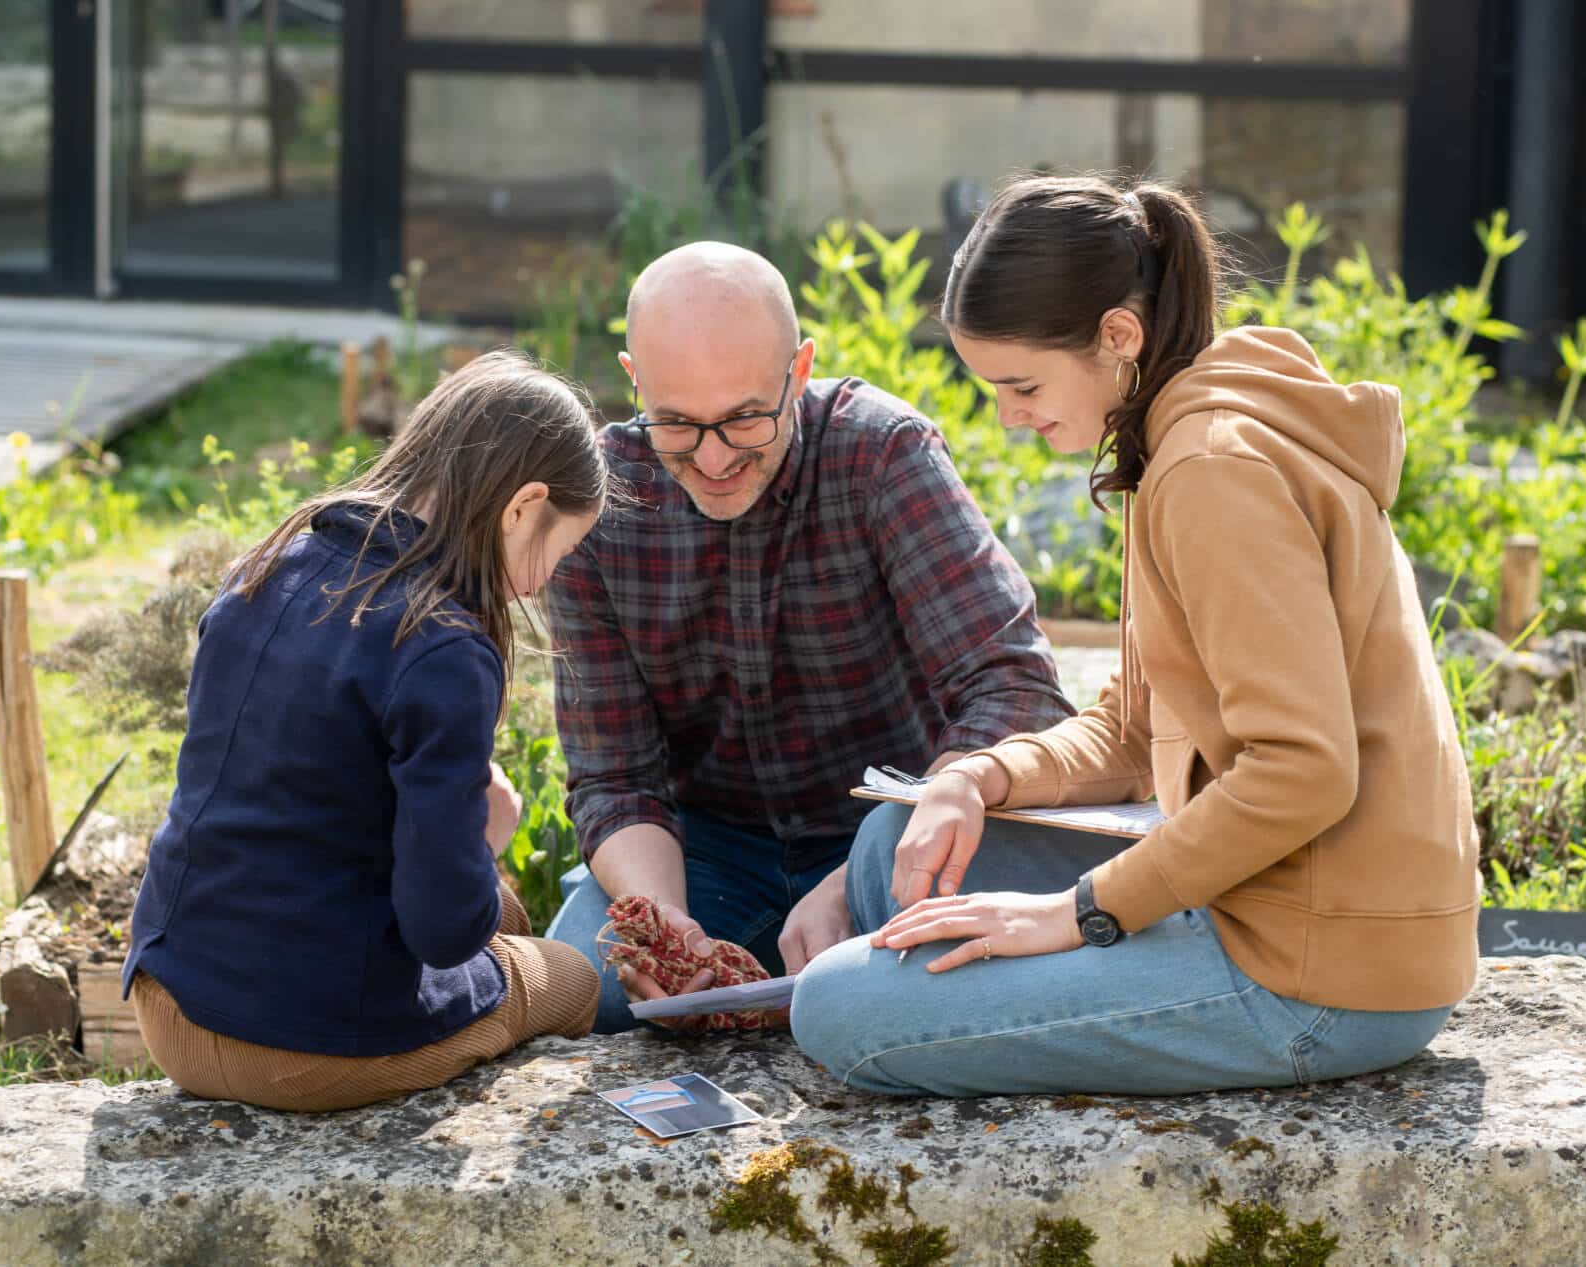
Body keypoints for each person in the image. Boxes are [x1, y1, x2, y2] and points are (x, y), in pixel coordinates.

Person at [790, 175, 1480, 1097]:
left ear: (1119, 336)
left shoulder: (1212, 471)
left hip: (1324, 969)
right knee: (899, 844)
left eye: (1022, 384)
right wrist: (975, 776)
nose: (1008, 415)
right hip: (1271, 896)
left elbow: (1305, 769)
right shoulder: (1178, 435)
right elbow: (1130, 728)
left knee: (840, 1011)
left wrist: (1082, 913)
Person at [542, 241, 1074, 1033]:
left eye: (746, 418)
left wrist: (861, 875)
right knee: (598, 996)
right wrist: (663, 921)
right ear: (634, 381)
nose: (715, 457)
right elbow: (615, 774)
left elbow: (1016, 688)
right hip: (705, 849)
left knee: (891, 1013)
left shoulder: (881, 454)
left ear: (799, 370)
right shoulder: (599, 506)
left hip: (894, 830)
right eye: (679, 424)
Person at [123, 351, 608, 1111]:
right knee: (573, 977)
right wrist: (489, 831)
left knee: (506, 917)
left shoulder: (272, 561)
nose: (542, 582)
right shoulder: (440, 643)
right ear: (523, 505)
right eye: (557, 549)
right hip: (290, 1041)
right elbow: (444, 929)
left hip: (170, 991)